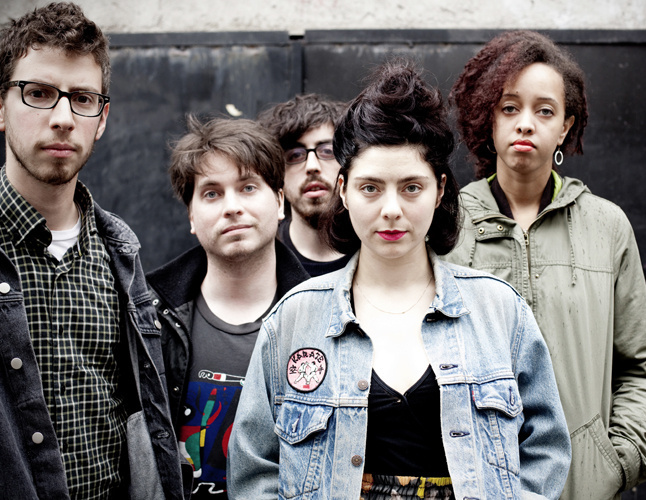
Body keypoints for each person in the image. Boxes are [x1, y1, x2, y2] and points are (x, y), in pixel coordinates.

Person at [227, 60, 571, 500]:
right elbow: (253, 467)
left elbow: (546, 447)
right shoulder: (295, 319)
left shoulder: (499, 310)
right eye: (371, 188)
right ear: (344, 190)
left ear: (439, 190)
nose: (391, 209)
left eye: (411, 187)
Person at [445, 30, 646, 499]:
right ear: (489, 117)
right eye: (510, 108)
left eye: (544, 111)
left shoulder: (606, 226)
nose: (525, 124)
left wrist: (617, 461)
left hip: (581, 487)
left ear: (566, 127)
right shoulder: (446, 224)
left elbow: (645, 369)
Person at [0, 3, 184, 499]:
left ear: (101, 119)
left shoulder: (120, 253)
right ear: (1, 107)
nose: (63, 118)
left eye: (82, 98)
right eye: (39, 93)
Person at [147, 115, 309, 499]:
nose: (232, 207)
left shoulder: (322, 316)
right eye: (211, 194)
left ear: (280, 202)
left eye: (248, 187)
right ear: (191, 216)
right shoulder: (149, 317)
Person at [258, 94, 352, 276]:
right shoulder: (262, 261)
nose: (312, 166)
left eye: (327, 151)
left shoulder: (375, 252)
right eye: (295, 155)